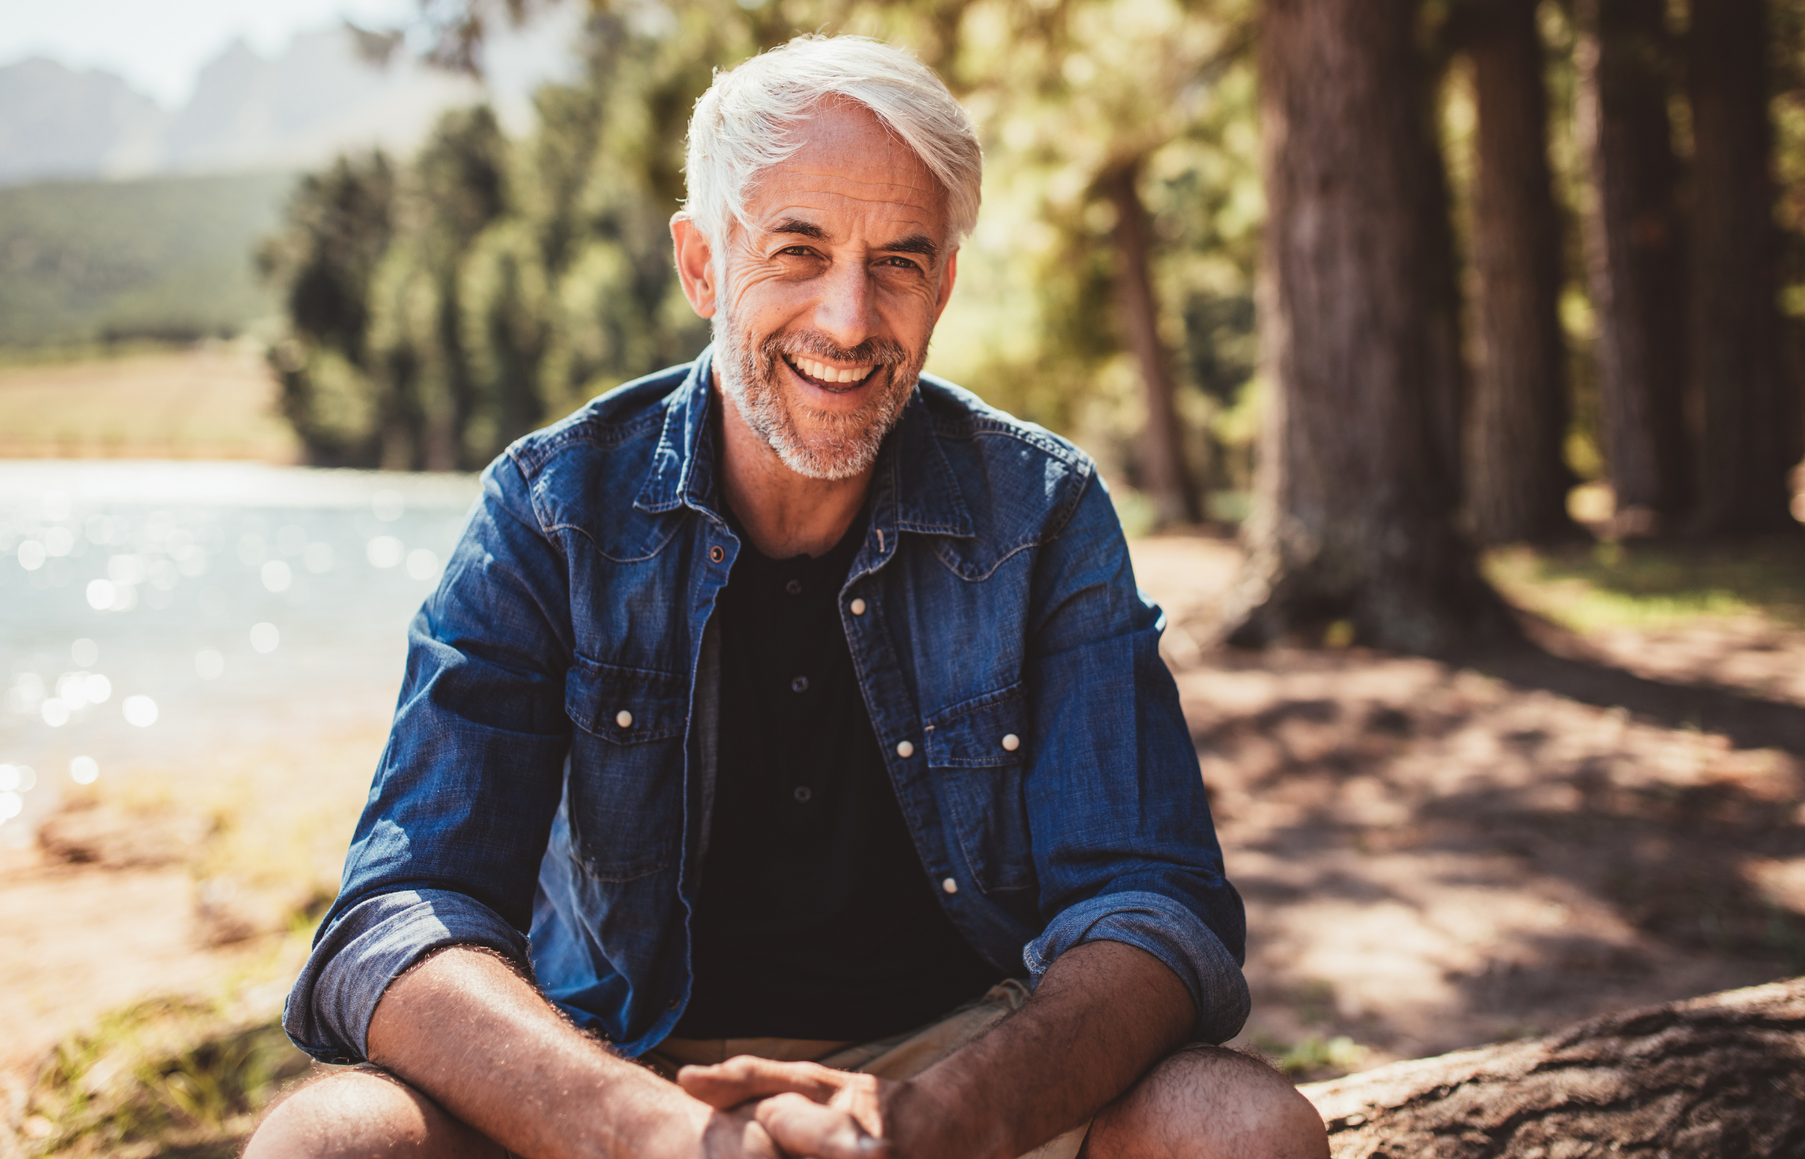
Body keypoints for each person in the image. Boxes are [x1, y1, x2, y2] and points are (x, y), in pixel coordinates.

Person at [246, 34, 1329, 1159]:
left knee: (1236, 1128)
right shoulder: (551, 510)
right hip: (617, 1071)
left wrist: (927, 1123)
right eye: (798, 250)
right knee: (331, 1140)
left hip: (964, 1069)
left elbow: (1154, 907)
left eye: (900, 260)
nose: (850, 319)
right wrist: (661, 1135)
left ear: (945, 283)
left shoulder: (1042, 512)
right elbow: (402, 911)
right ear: (702, 262)